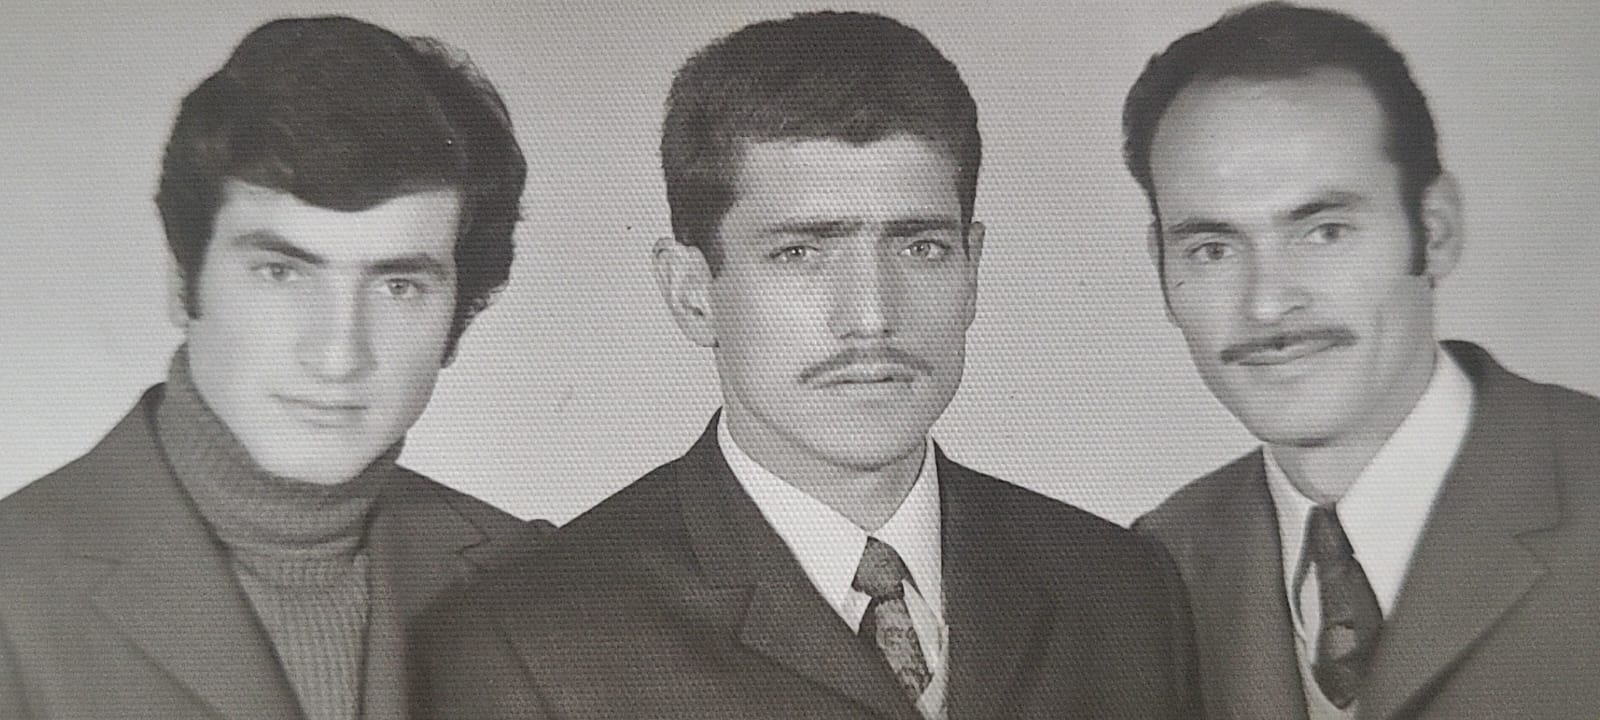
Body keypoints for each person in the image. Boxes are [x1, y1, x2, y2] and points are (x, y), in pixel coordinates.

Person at [412, 10, 1197, 720]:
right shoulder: (529, 641)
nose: (872, 315)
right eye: (800, 253)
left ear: (971, 271)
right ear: (692, 294)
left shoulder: (1123, 590)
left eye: (921, 248)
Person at [0, 16, 547, 720]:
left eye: (399, 286)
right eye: (282, 273)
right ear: (182, 280)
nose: (338, 354)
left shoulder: (529, 574)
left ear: (458, 315)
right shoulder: (14, 587)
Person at [1122, 3, 1600, 718]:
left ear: (1434, 232)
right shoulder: (1155, 569)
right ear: (1162, 271)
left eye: (1325, 231)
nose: (1267, 304)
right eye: (1212, 250)